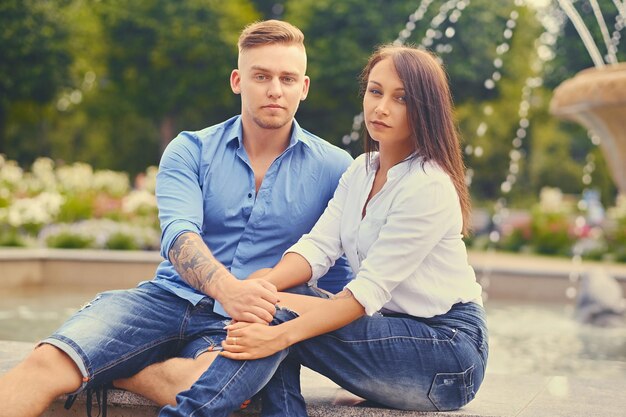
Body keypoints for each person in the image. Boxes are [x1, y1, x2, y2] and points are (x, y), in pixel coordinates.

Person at [0, 20, 353, 417]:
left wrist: (355, 370)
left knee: (219, 387)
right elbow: (178, 235)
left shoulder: (337, 167)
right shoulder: (190, 149)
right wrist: (227, 288)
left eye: (288, 78)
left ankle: (117, 370)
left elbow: (337, 270)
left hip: (242, 320)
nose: (275, 89)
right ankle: (100, 359)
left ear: (303, 87)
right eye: (261, 76)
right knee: (47, 362)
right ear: (238, 81)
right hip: (166, 299)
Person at [161, 44, 489, 417]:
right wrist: (260, 287)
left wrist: (274, 332)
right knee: (271, 297)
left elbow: (364, 293)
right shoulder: (362, 171)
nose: (381, 108)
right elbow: (317, 248)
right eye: (375, 91)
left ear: (425, 109)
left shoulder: (427, 186)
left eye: (401, 98)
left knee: (276, 318)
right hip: (392, 330)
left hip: (446, 356)